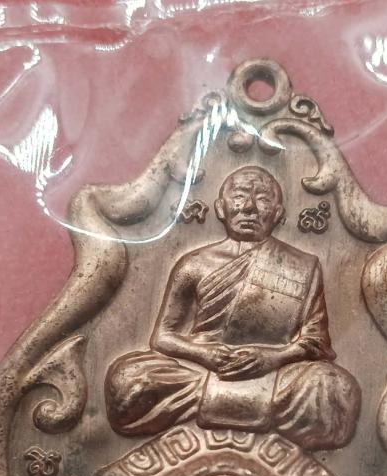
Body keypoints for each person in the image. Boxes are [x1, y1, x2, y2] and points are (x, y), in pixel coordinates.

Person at [105, 166, 360, 451]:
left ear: (278, 213)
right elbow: (162, 337)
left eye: (263, 199)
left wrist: (273, 357)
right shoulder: (194, 264)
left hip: (275, 374)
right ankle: (247, 409)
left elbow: (315, 342)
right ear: (221, 208)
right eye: (239, 197)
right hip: (200, 371)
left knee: (334, 389)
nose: (249, 207)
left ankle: (221, 408)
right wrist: (205, 354)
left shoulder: (304, 266)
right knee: (130, 380)